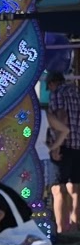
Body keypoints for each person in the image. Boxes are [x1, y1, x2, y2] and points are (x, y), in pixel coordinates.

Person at [49, 70, 80, 231]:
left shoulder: (57, 94)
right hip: (78, 145)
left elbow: (61, 117)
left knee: (58, 188)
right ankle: (75, 223)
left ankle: (62, 228)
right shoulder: (76, 93)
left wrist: (56, 146)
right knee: (74, 187)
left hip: (65, 145)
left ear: (52, 83)